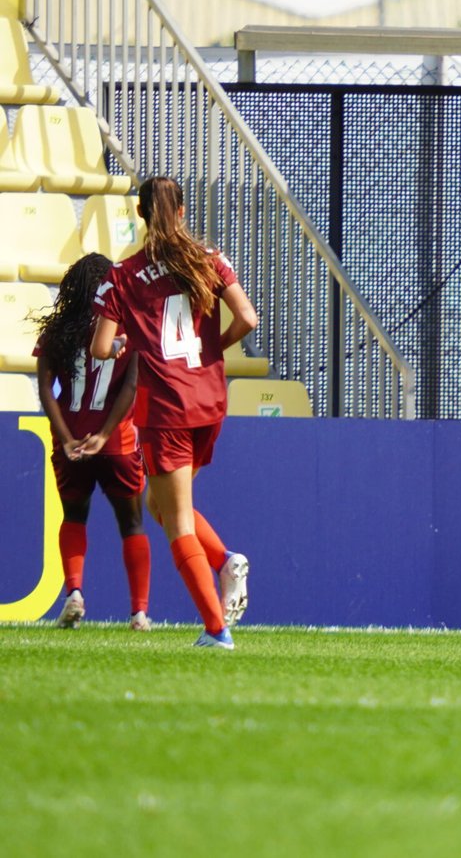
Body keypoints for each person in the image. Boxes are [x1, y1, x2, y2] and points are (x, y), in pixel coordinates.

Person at [90, 176, 257, 650]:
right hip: (209, 402)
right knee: (160, 508)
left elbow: (102, 348)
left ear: (141, 215)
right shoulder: (209, 259)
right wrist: (212, 349)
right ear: (181, 212)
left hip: (165, 407)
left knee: (174, 519)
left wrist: (127, 342)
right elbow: (247, 318)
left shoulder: (121, 275)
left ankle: (215, 630)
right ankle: (225, 562)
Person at [33, 253, 151, 632]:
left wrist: (68, 439)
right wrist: (104, 434)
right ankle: (139, 613)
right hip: (116, 441)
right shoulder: (128, 330)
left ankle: (74, 595)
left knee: (73, 516)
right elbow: (131, 387)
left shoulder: (55, 334)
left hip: (71, 442)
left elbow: (46, 392)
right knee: (132, 524)